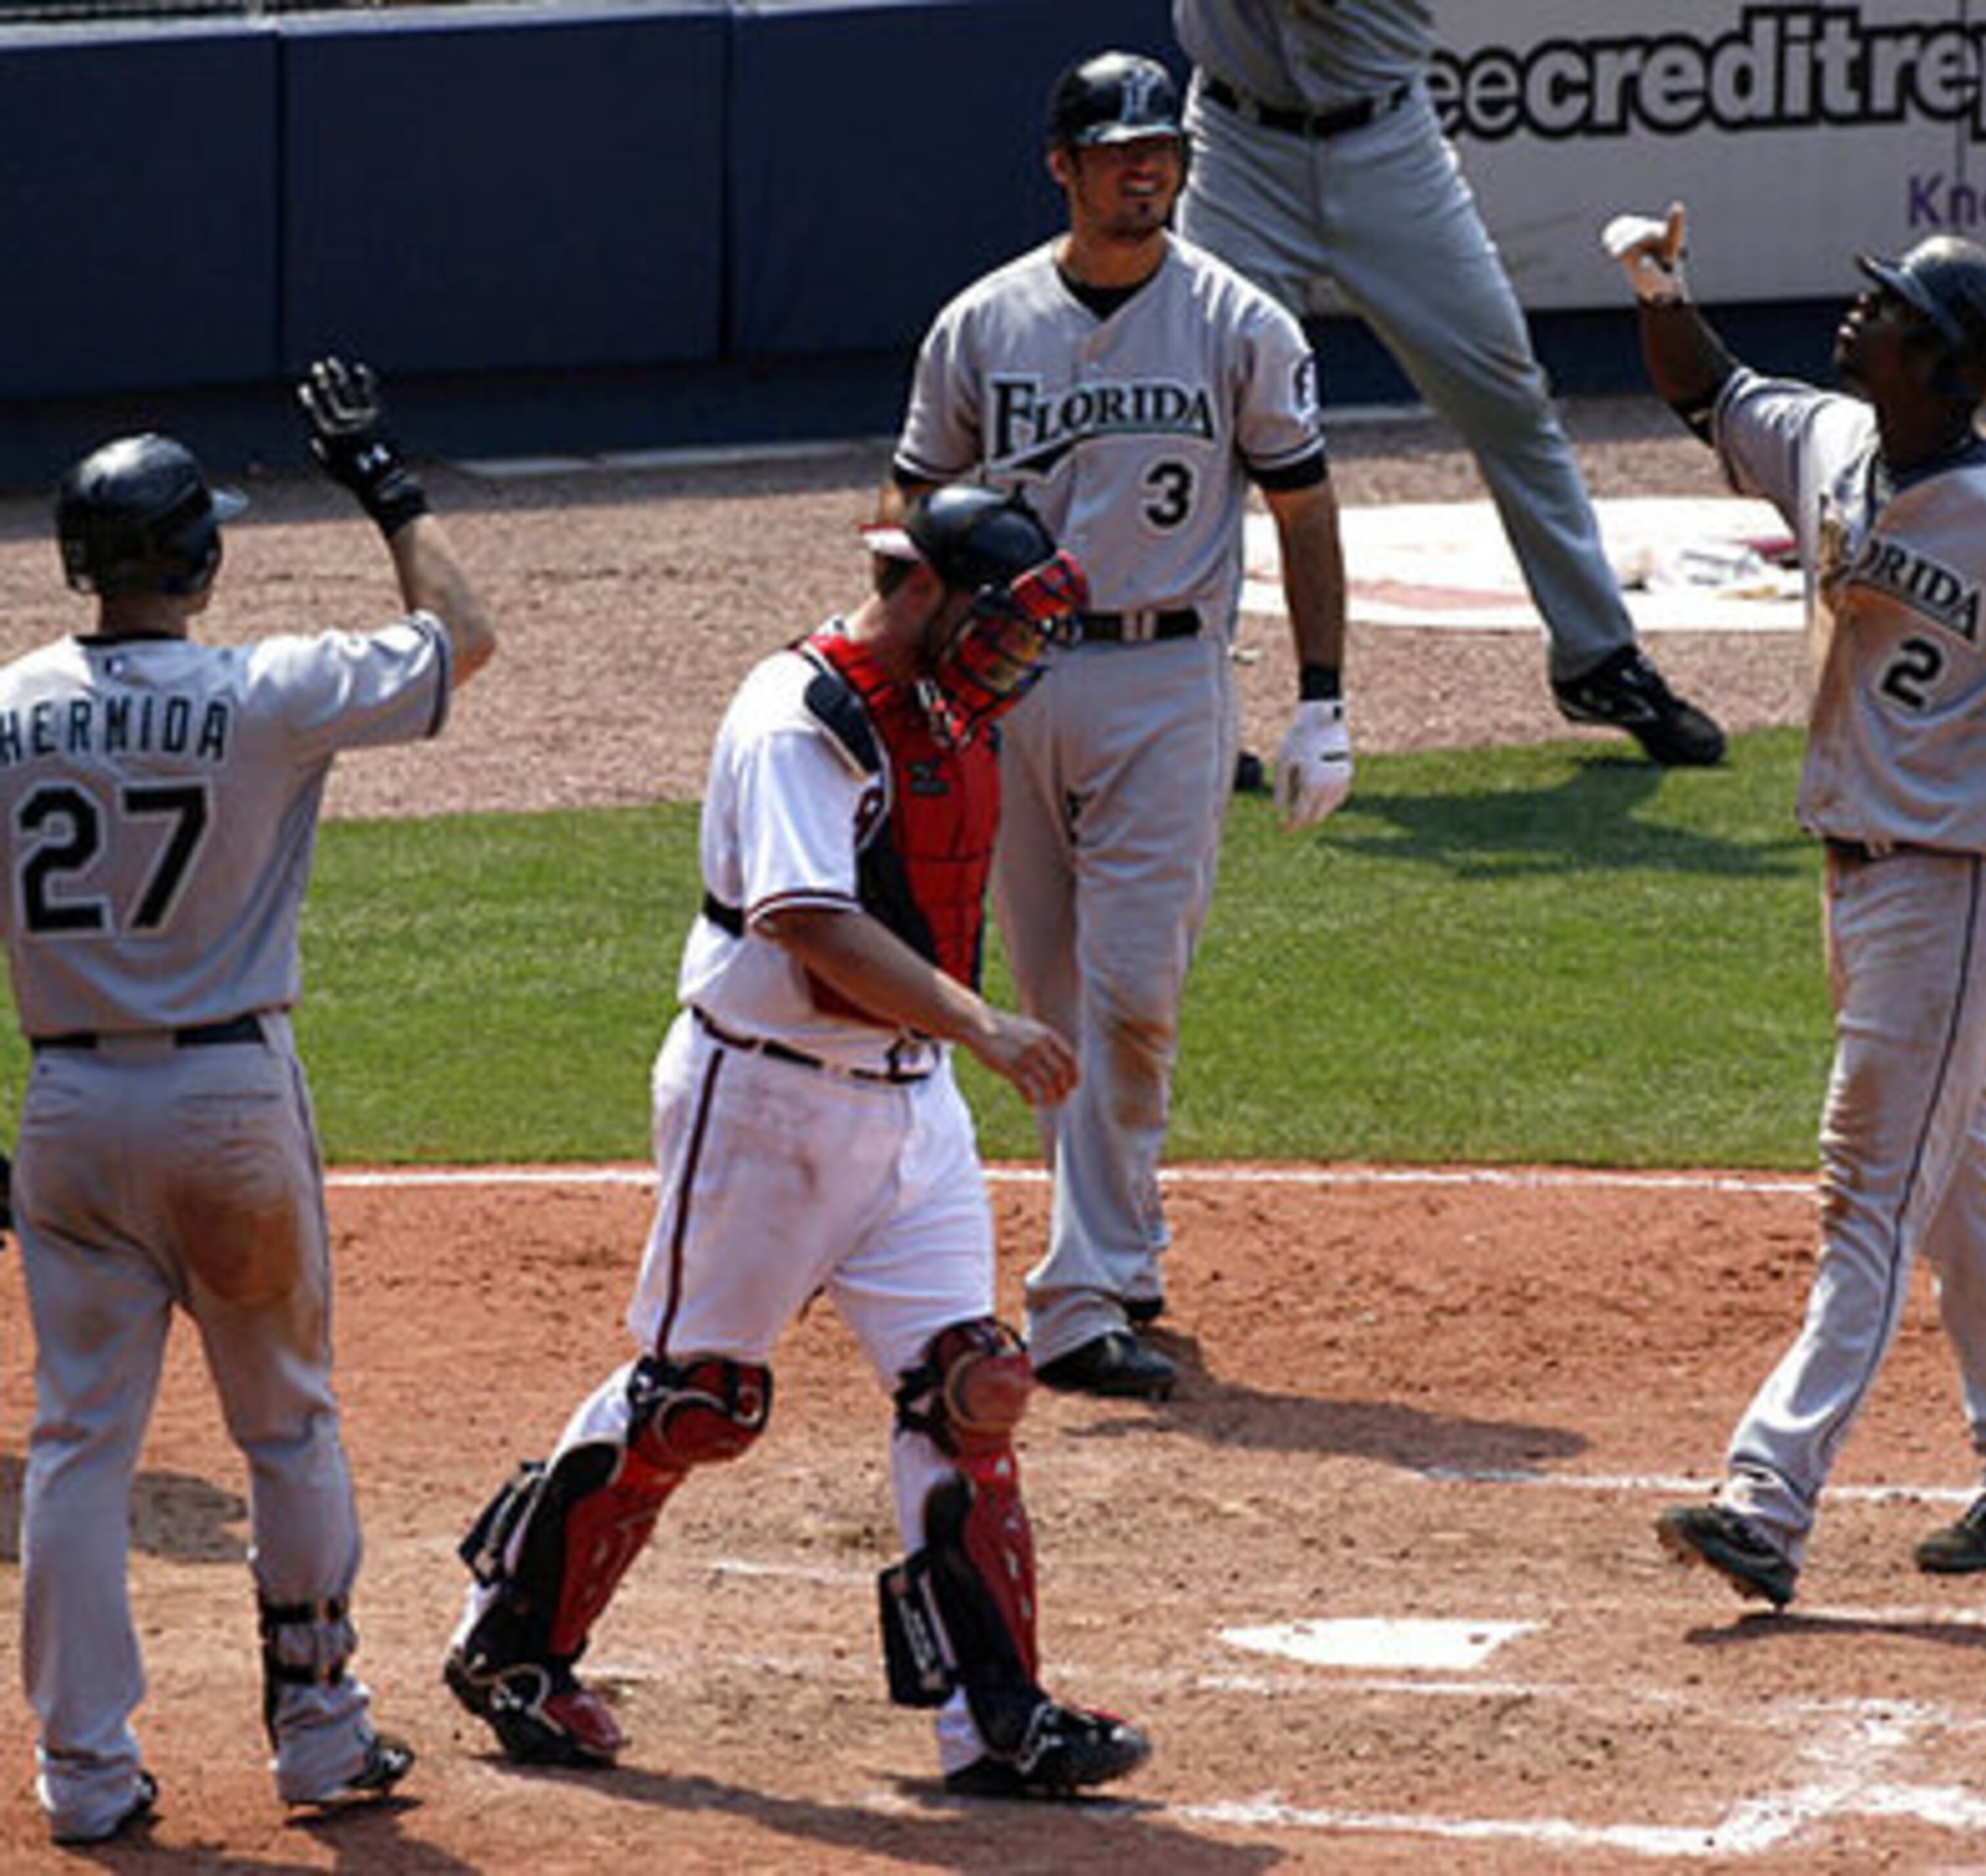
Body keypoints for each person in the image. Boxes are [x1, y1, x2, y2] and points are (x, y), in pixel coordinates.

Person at [443, 483, 1152, 1800]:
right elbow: (808, 920)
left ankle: (994, 1721)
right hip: (765, 1100)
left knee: (972, 1386)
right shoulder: (797, 717)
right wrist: (983, 1025)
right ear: (920, 589)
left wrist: (955, 1040)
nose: (1014, 656)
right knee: (697, 1401)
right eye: (994, 623)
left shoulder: (948, 706)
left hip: (909, 1103)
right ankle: (514, 1644)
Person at [1603, 207, 1986, 1606]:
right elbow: (1708, 387)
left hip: (1955, 891)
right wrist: (1656, 283)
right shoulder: (1834, 443)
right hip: (1858, 880)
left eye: (1884, 309)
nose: (1853, 316)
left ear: (1939, 361)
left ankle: (1769, 1492)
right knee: (1952, 1187)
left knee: (1867, 1193)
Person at [2, 358, 495, 1843]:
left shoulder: (7, 707)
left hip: (69, 1111)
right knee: (283, 1422)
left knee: (82, 1443)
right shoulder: (266, 691)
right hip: (227, 1101)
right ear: (199, 563)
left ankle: (85, 1779)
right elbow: (462, 637)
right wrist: (383, 483)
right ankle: (321, 1737)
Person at [886, 49, 1353, 1401]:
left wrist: (1320, 701)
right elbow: (912, 503)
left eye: (1163, 150)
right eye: (1117, 151)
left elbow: (1304, 510)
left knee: (1134, 987)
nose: (1145, 169)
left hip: (1166, 681)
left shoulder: (1241, 322)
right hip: (1005, 686)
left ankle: (1077, 1298)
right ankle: (1120, 1247)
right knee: (1050, 992)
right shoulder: (983, 323)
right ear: (1064, 166)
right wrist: (899, 684)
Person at [1171, 0, 1727, 771]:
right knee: (1203, 418)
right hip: (1238, 146)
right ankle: (1188, 706)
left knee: (1507, 400)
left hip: (1385, 144)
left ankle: (1596, 657)